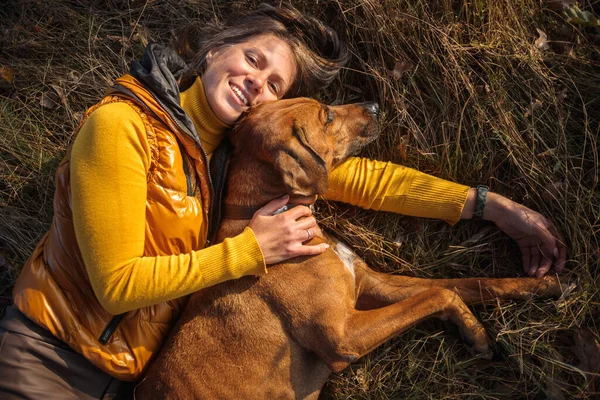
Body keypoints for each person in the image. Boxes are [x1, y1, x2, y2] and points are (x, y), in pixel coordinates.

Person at [0, 3, 566, 399]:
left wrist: (488, 204)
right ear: (215, 50)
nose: (258, 84)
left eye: (275, 84)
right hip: (48, 363)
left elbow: (366, 178)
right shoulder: (121, 126)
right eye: (252, 60)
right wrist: (249, 250)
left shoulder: (246, 154)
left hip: (132, 382)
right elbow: (115, 286)